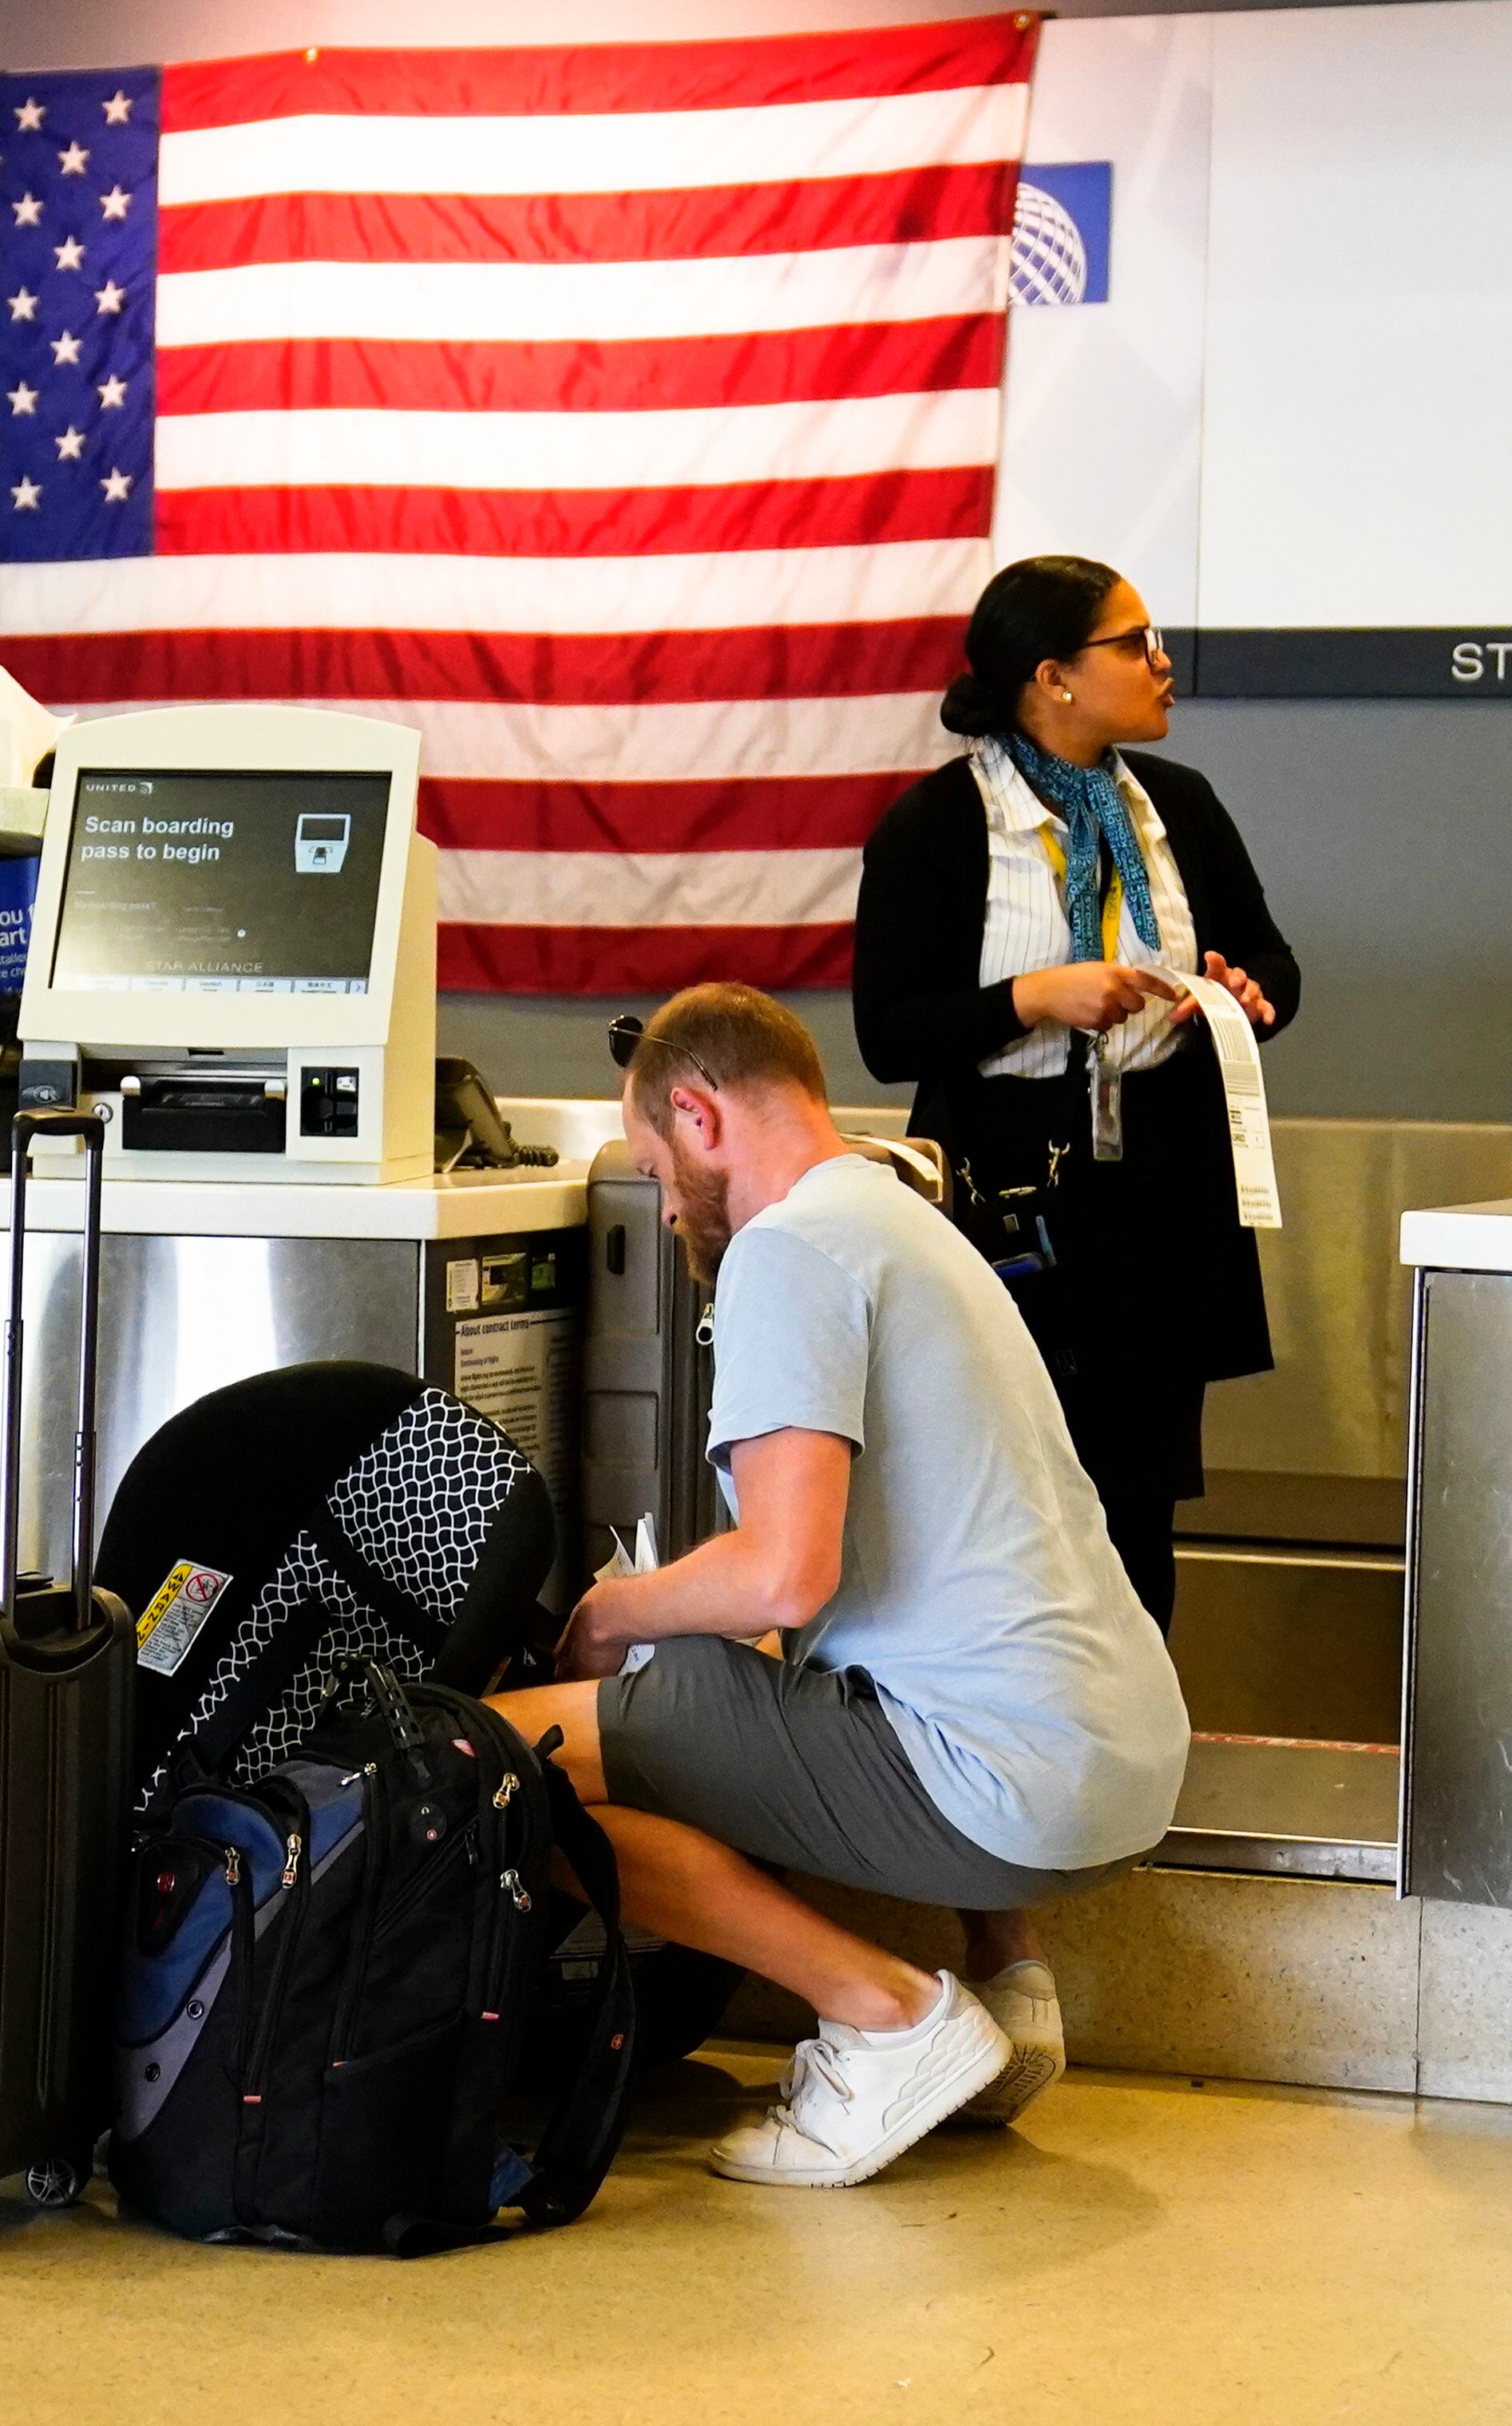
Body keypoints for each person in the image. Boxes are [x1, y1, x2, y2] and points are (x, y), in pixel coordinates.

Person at [489, 984, 1189, 2190]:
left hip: (1012, 1784)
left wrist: (604, 1613)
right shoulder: (899, 1216)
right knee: (737, 1676)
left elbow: (780, 1573)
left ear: (699, 1115)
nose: (663, 1213)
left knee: (506, 1769)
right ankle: (1006, 1992)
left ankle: (887, 2018)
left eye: (657, 1173)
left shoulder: (784, 1249)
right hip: (1119, 1764)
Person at [854, 557, 1297, 1624]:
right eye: (1133, 642)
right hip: (1008, 1193)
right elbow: (887, 1034)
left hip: (1155, 1190)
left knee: (1136, 1505)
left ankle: (1128, 1757)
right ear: (1051, 675)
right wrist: (1033, 995)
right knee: (1002, 1485)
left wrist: (1241, 993)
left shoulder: (1177, 807)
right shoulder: (939, 825)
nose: (1161, 662)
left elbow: (1275, 968)